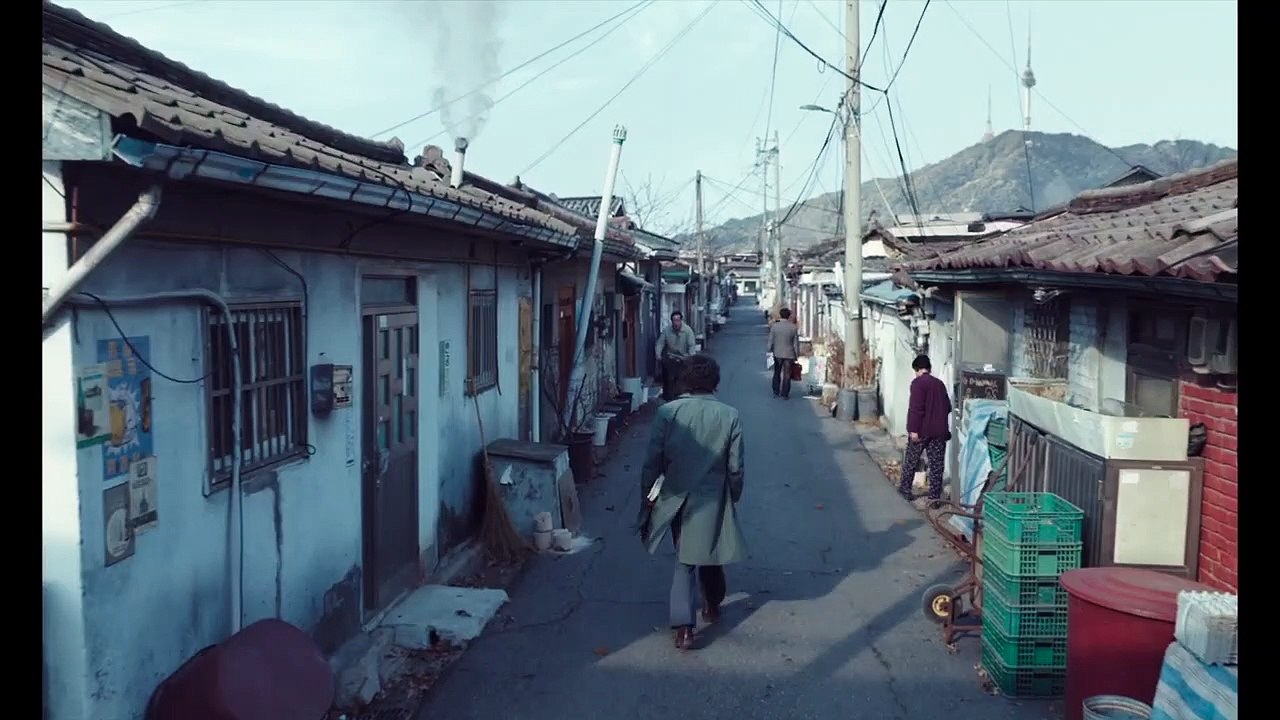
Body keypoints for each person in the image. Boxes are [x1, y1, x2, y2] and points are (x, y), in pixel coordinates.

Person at [637, 354, 746, 651]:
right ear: (715, 382)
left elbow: (652, 462)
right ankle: (712, 604)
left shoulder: (668, 413)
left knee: (685, 558)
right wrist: (733, 493)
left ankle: (684, 627)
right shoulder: (729, 415)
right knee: (709, 550)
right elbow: (735, 466)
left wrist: (647, 495)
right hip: (713, 495)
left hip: (676, 496)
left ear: (685, 380)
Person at [898, 354, 953, 502]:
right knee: (936, 465)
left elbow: (916, 409)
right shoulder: (940, 384)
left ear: (917, 369)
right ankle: (934, 498)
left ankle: (905, 489)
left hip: (922, 430)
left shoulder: (917, 384)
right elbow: (948, 407)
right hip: (939, 431)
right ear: (929, 368)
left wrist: (913, 429)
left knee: (911, 460)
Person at [655, 310, 696, 402]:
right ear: (671, 321)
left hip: (684, 358)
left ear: (681, 320)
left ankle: (682, 395)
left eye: (678, 320)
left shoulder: (688, 331)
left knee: (683, 377)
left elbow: (691, 346)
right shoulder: (667, 330)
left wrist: (691, 358)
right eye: (674, 320)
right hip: (671, 357)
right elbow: (660, 343)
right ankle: (668, 397)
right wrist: (658, 354)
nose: (676, 323)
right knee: (668, 376)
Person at [767, 308, 800, 398]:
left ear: (780, 315)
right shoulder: (793, 327)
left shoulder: (775, 326)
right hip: (789, 354)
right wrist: (796, 355)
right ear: (789, 316)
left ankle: (776, 391)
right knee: (787, 374)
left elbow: (771, 340)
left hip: (777, 353)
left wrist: (769, 350)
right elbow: (795, 343)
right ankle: (785, 393)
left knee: (777, 372)